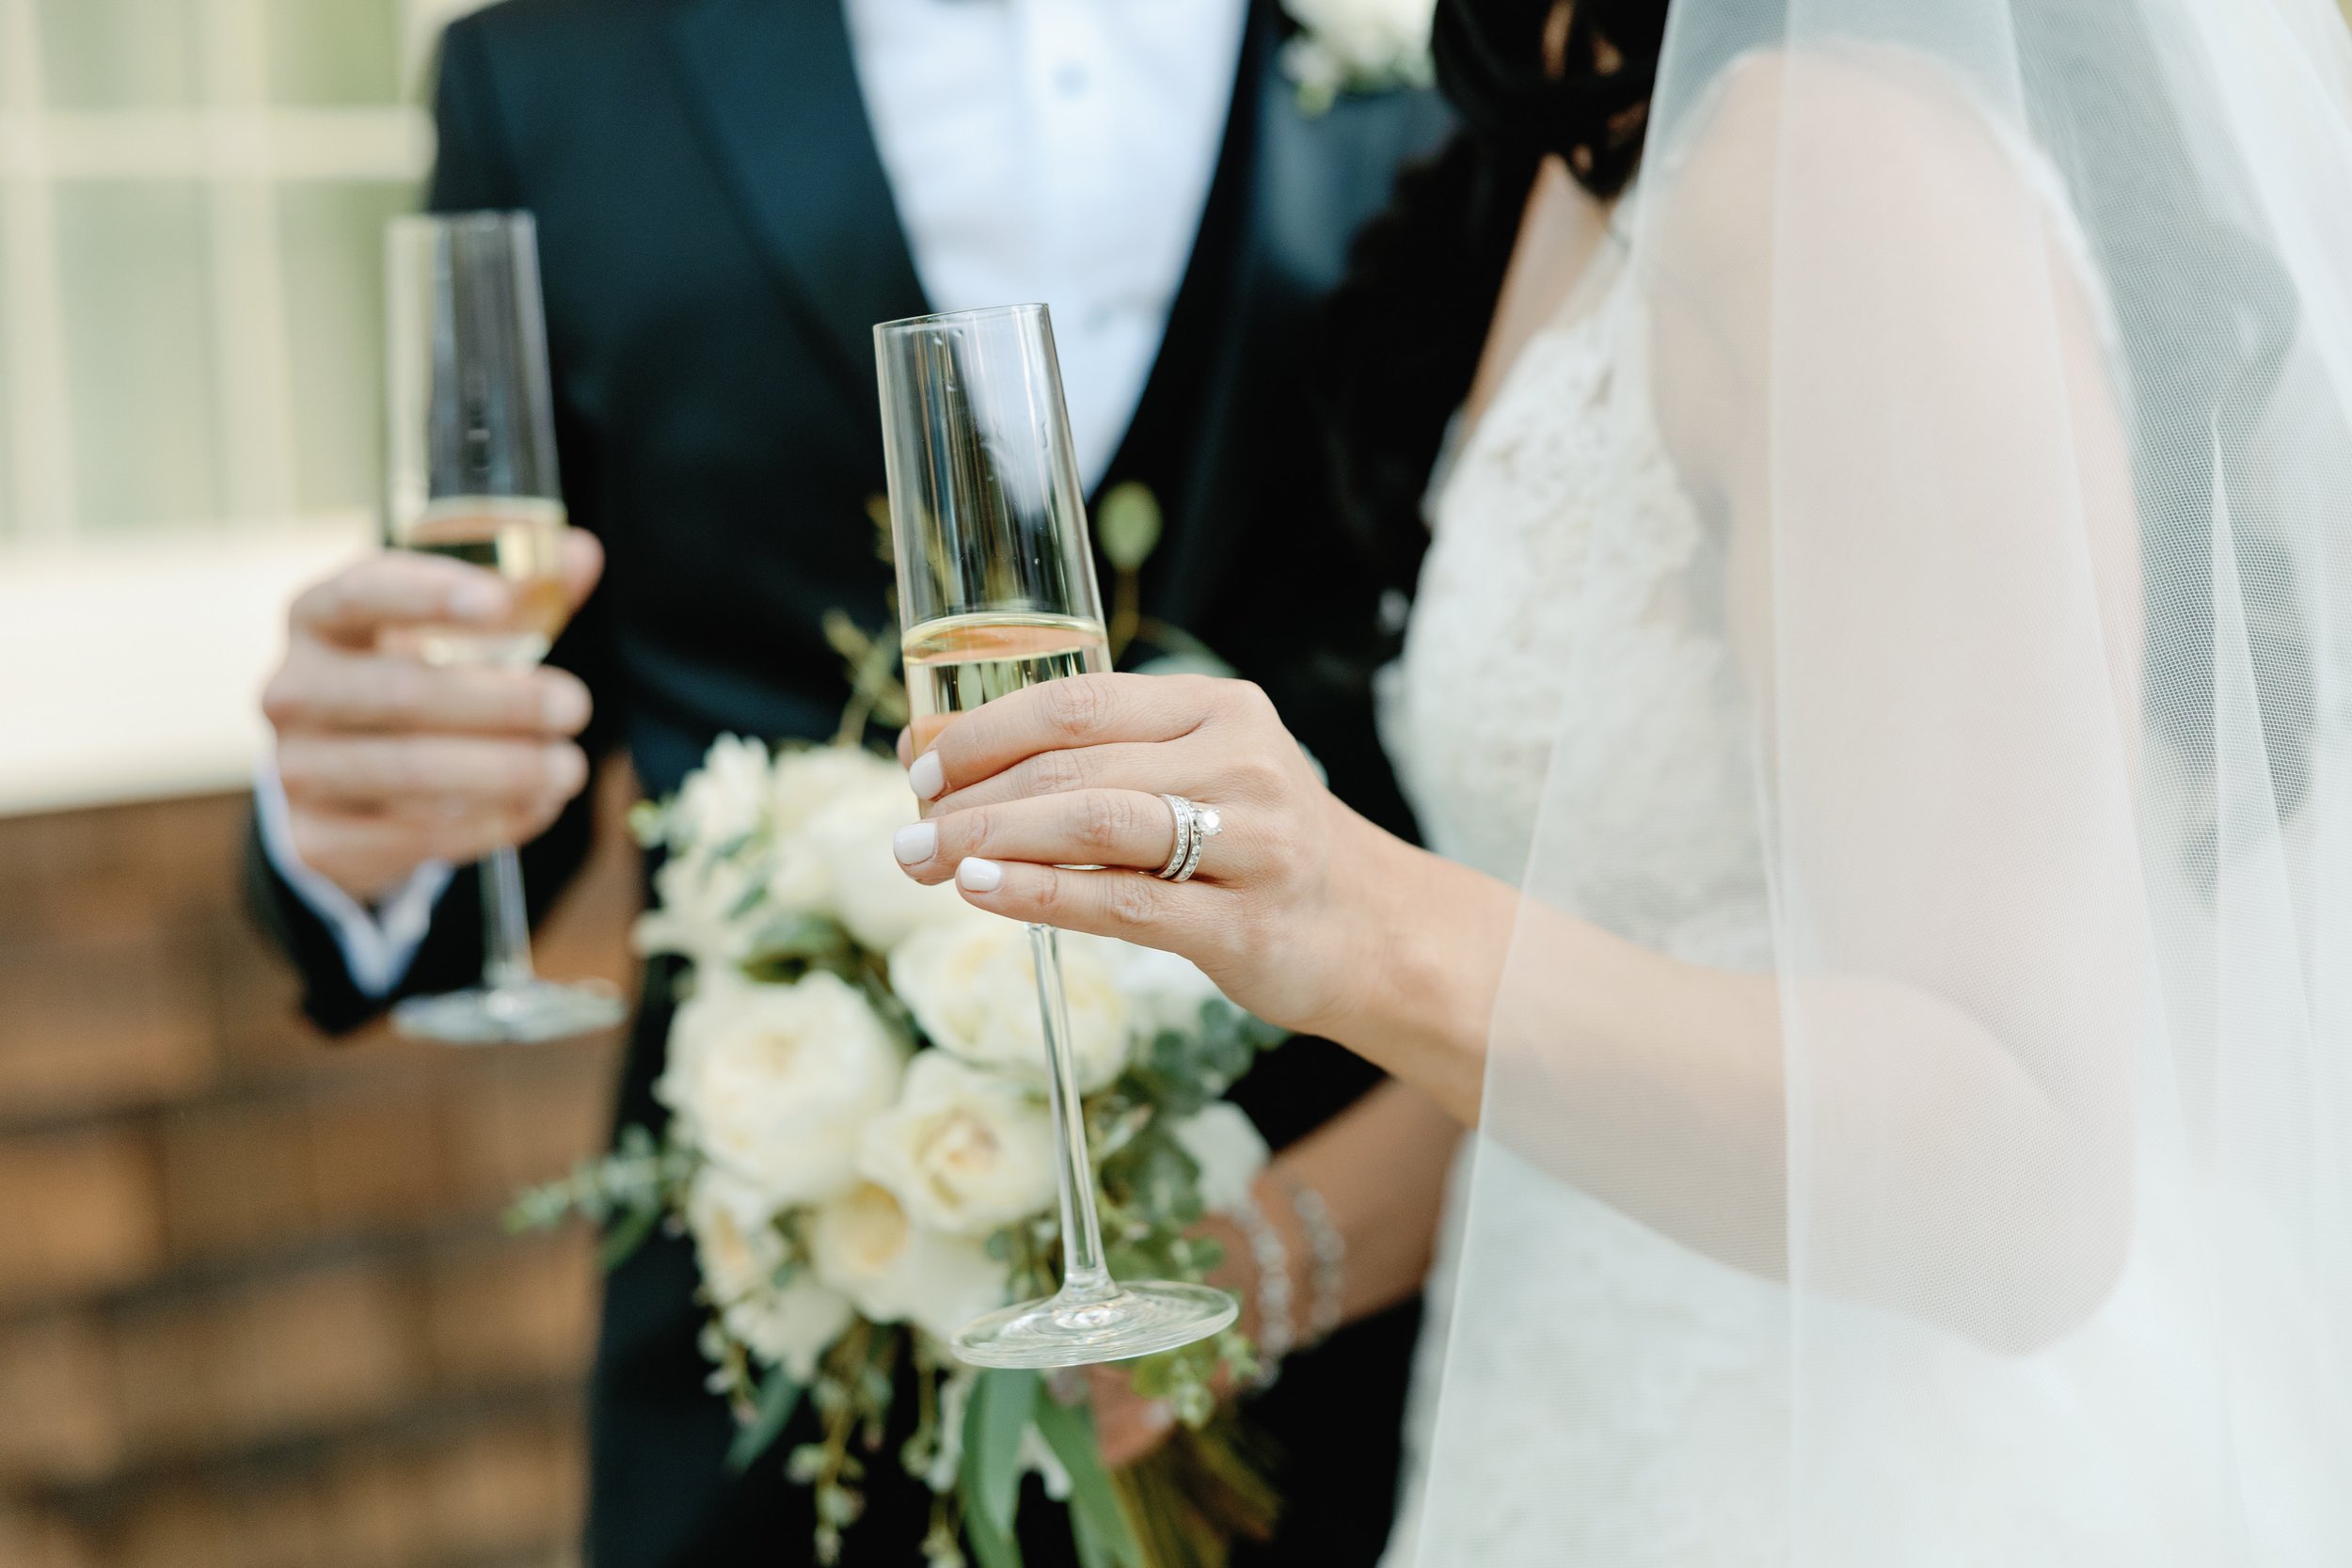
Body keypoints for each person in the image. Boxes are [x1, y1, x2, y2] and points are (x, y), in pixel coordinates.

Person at [893, 0, 2352, 1560]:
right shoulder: (1588, 135)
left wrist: (1350, 908)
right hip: (1558, 1424)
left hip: (1846, 1473)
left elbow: (2027, 1164)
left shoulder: (1833, 156)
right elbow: (1648, 946)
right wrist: (1258, 1268)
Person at [247, 0, 1459, 1562]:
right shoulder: (551, 71)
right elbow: (487, 673)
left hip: (1360, 1358)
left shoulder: (1466, 58)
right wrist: (360, 816)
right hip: (783, 1366)